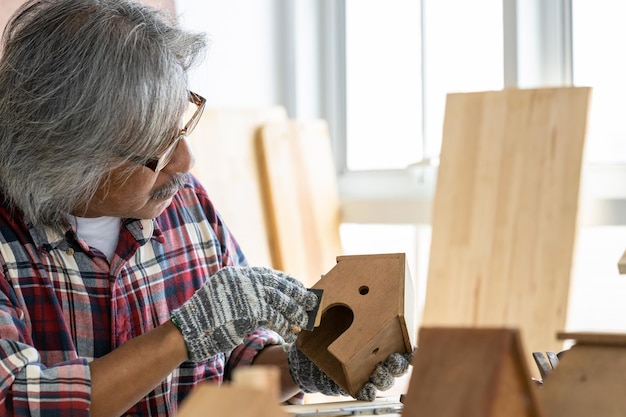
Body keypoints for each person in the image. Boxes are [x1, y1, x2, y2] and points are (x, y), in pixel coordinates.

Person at [0, 0, 413, 415]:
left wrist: (295, 370)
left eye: (180, 125)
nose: (186, 161)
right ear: (69, 160)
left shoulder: (183, 201)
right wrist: (180, 337)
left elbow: (230, 366)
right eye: (157, 149)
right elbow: (17, 402)